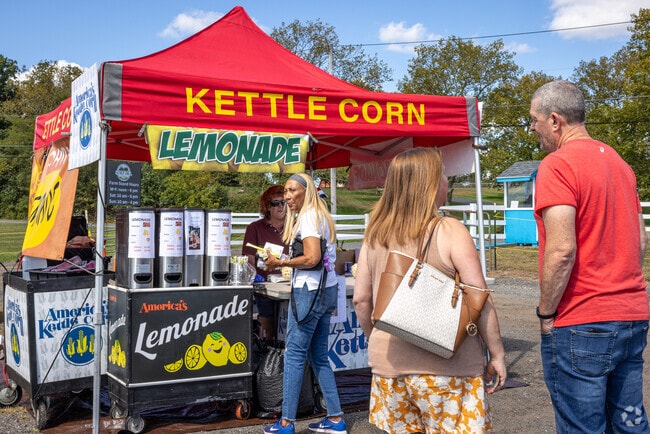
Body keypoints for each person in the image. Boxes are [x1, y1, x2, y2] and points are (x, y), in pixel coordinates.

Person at [352, 147, 507, 433]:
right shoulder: (449, 230)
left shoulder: (375, 232)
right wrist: (496, 355)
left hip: (390, 371)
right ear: (429, 183)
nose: (447, 180)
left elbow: (362, 300)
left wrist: (378, 336)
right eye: (443, 175)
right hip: (449, 371)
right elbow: (479, 298)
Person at [530, 80, 650, 432]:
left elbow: (562, 249)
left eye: (534, 120)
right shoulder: (618, 162)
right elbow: (640, 240)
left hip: (583, 318)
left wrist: (546, 311)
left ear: (555, 120)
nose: (533, 129)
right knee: (630, 424)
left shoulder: (557, 164)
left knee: (583, 427)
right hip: (632, 313)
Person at [262, 173, 346, 434]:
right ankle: (335, 418)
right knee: (319, 356)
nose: (287, 196)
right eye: (285, 192)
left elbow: (311, 258)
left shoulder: (309, 217)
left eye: (292, 191)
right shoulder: (321, 216)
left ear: (305, 191)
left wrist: (280, 263)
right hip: (327, 290)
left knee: (295, 354)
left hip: (309, 292)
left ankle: (286, 422)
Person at [242, 185, 290, 340]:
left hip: (289, 282)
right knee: (268, 317)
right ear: (267, 207)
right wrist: (254, 274)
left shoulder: (294, 227)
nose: (281, 206)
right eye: (276, 203)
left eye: (284, 202)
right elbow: (248, 257)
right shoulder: (255, 228)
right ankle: (269, 348)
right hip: (265, 285)